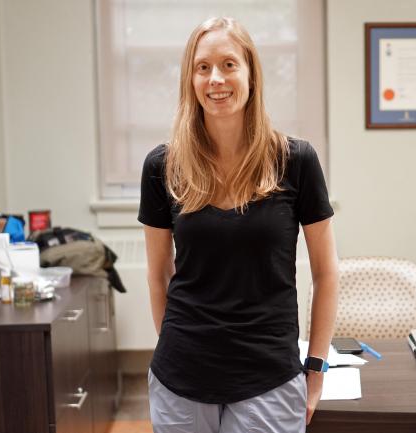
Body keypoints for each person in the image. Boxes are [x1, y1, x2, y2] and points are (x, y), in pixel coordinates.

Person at [138, 16, 338, 433]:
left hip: (269, 377)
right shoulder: (163, 166)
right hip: (180, 379)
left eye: (229, 64)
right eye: (203, 67)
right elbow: (158, 275)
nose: (216, 79)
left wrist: (315, 369)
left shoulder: (296, 161)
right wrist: (175, 347)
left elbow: (326, 273)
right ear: (190, 80)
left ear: (251, 73)